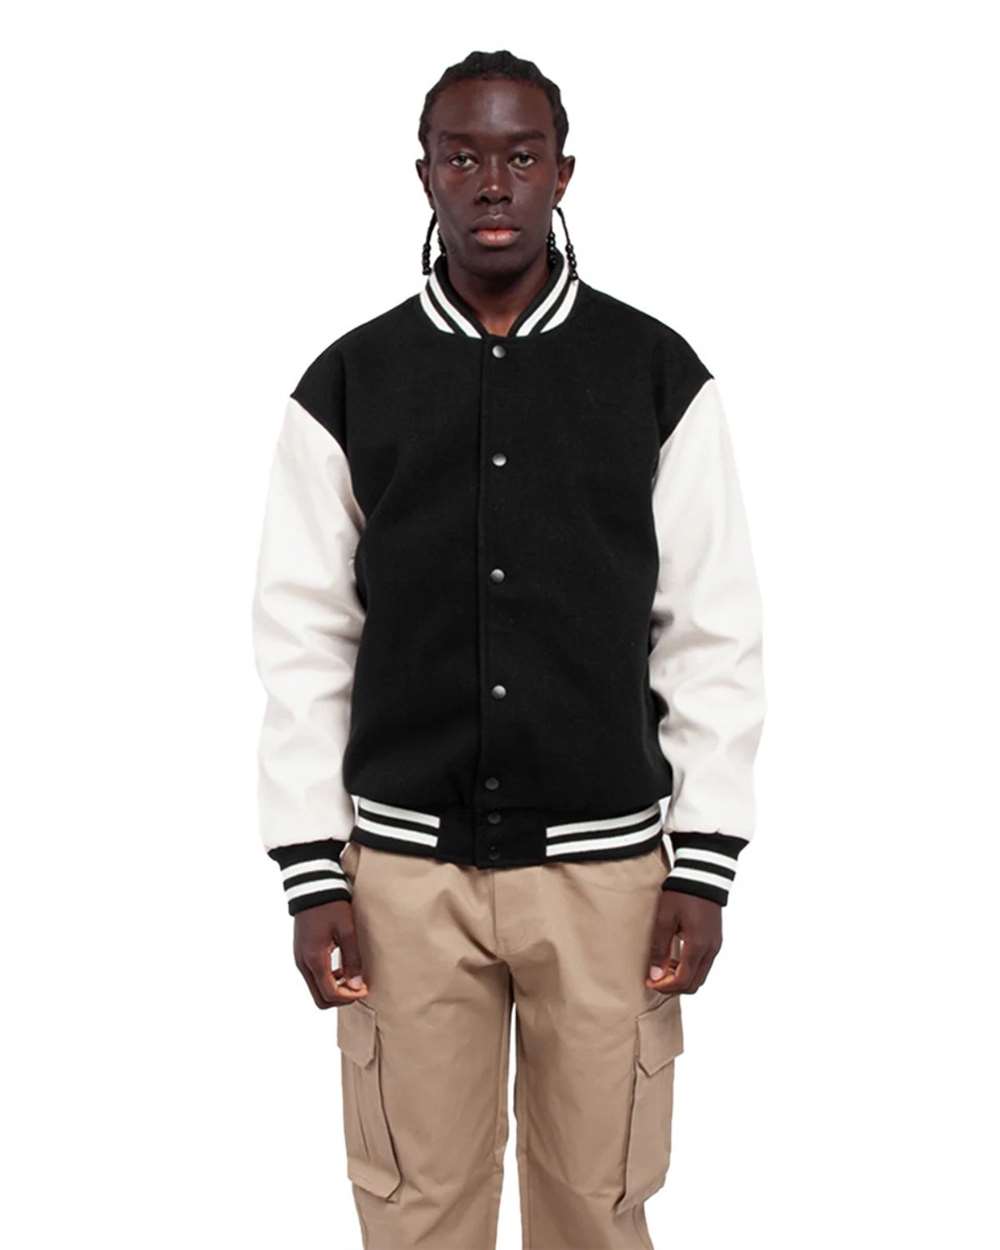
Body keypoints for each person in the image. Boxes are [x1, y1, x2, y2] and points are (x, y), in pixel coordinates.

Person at [251, 48, 766, 1250]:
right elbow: (304, 637)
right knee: (415, 1210)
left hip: (608, 879)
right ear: (424, 175)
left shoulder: (653, 373)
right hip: (401, 877)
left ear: (562, 174)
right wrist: (311, 871)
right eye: (465, 156)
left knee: (596, 1203)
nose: (493, 181)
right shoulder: (350, 381)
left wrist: (703, 862)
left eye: (521, 156)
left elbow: (711, 626)